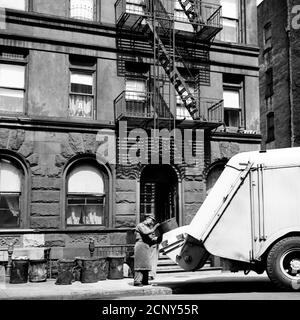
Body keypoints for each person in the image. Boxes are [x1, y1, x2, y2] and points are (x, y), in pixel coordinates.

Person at [133, 214, 160, 286]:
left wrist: (159, 238)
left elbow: (151, 239)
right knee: (139, 265)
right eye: (152, 220)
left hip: (146, 246)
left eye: (153, 221)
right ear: (147, 218)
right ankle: (137, 281)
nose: (152, 223)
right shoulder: (140, 225)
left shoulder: (148, 228)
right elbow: (145, 233)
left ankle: (145, 281)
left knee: (146, 265)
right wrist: (155, 227)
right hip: (140, 246)